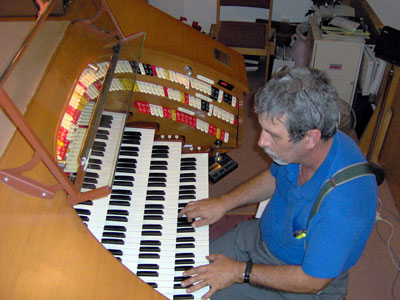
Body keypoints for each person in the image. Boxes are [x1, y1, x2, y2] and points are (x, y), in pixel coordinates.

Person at [178, 66, 378, 300]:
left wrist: (238, 271)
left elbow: (313, 281)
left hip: (300, 281)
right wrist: (223, 203)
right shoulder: (301, 149)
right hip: (260, 239)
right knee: (179, 272)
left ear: (310, 138)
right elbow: (275, 176)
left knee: (191, 295)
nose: (261, 142)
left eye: (273, 134)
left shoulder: (344, 205)